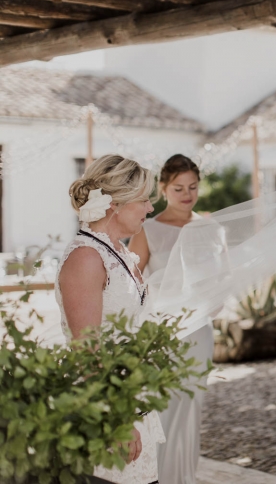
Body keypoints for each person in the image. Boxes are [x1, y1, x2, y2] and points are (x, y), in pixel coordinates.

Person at [56, 154, 164, 484]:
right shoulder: (87, 257)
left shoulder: (118, 252)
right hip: (105, 407)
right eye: (144, 200)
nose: (150, 209)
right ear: (115, 203)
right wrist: (116, 419)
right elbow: (86, 348)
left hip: (131, 397)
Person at [129, 154, 212, 484]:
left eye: (193, 187)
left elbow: (222, 277)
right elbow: (132, 283)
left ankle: (184, 477)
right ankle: (155, 477)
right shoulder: (147, 229)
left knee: (191, 409)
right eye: (179, 187)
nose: (187, 194)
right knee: (160, 408)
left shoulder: (209, 227)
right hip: (160, 332)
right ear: (163, 188)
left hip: (200, 331)